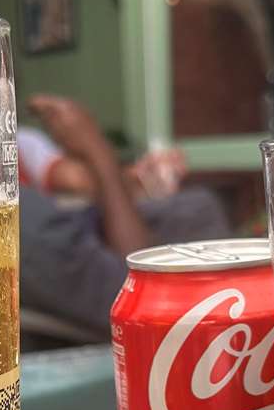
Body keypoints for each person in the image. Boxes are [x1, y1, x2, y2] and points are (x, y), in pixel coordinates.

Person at [18, 95, 231, 334]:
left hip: (85, 236)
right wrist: (95, 149)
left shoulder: (20, 145)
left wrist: (138, 180)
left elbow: (76, 180)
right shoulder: (21, 224)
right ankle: (209, 326)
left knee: (195, 208)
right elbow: (134, 294)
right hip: (112, 298)